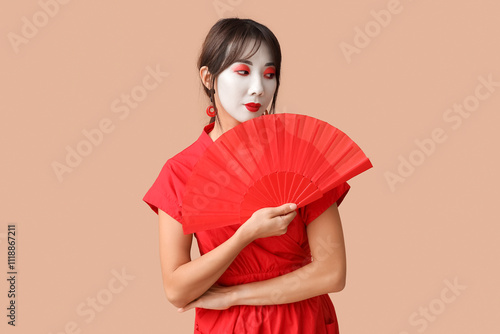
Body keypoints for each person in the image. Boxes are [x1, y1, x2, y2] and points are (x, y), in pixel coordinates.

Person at [143, 18, 358, 334]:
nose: (259, 87)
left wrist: (233, 296)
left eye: (269, 75)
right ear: (208, 77)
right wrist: (245, 234)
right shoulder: (180, 172)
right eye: (243, 72)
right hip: (228, 327)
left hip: (300, 321)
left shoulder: (299, 157)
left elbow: (332, 272)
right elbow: (176, 289)